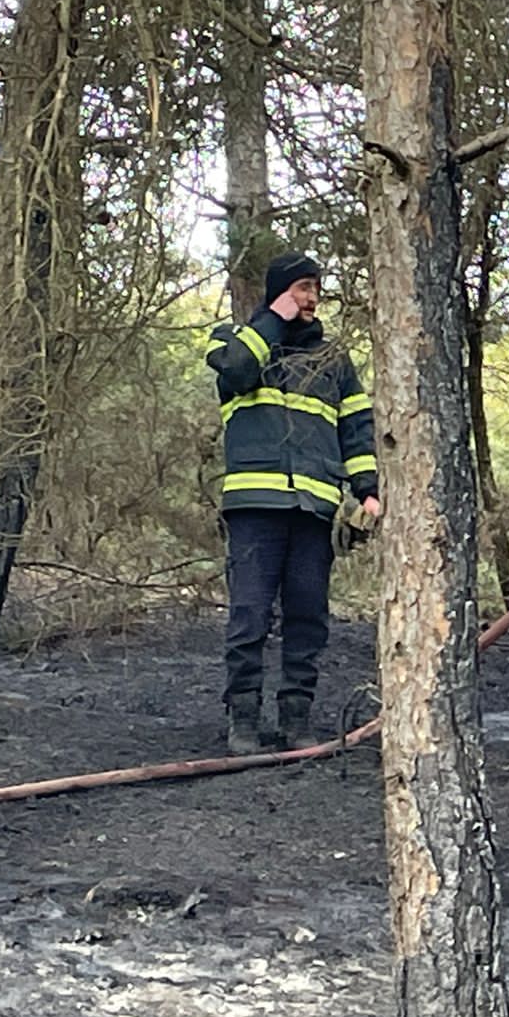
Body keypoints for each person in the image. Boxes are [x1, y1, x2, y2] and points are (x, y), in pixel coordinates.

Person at [207, 250, 380, 754]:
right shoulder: (234, 341)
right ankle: (243, 719)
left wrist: (368, 492)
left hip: (314, 509)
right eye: (303, 288)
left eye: (316, 290)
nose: (312, 299)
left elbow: (357, 429)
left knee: (308, 617)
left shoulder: (334, 361)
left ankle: (295, 719)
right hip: (254, 506)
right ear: (280, 292)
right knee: (250, 616)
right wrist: (272, 320)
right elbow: (237, 373)